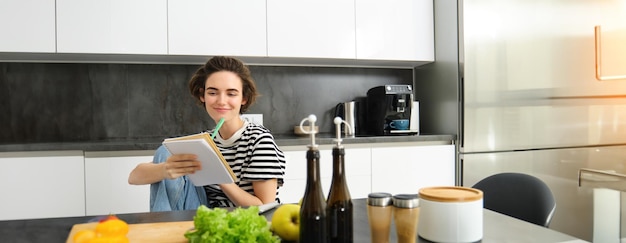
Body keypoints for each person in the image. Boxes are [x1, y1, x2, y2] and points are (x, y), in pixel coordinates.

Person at [128, 56, 286, 210]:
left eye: (231, 93)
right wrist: (164, 170)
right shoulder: (205, 140)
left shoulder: (258, 140)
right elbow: (134, 177)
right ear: (202, 95)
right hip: (209, 217)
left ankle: (163, 232)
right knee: (165, 153)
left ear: (243, 98)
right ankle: (165, 229)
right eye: (213, 92)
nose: (221, 101)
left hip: (246, 221)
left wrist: (219, 175)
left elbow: (265, 206)